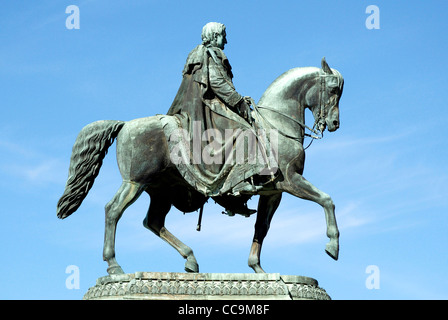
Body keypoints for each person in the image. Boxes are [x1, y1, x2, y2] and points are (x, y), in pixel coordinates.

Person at [167, 22, 261, 216]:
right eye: (223, 36)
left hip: (198, 105)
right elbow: (217, 82)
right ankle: (238, 183)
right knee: (246, 131)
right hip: (207, 105)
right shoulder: (212, 54)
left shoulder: (198, 54)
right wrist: (238, 102)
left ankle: (231, 197)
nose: (225, 40)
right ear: (214, 36)